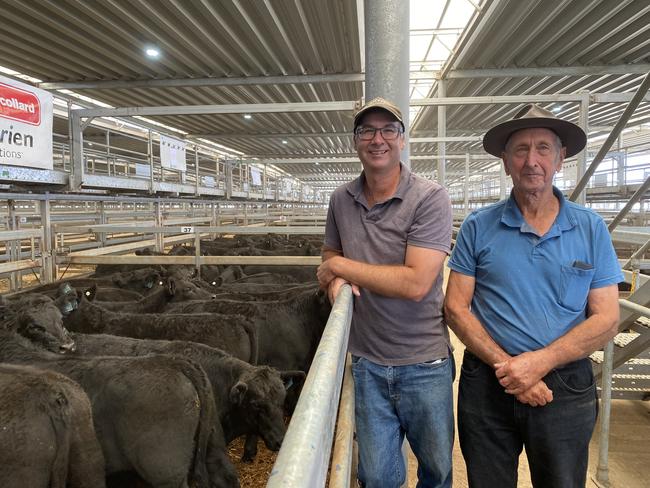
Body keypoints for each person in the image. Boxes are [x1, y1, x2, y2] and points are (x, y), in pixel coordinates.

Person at [444, 104, 623, 488]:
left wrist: (539, 363)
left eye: (543, 148)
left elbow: (607, 317)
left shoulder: (589, 228)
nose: (532, 160)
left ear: (560, 159)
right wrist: (510, 369)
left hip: (565, 385)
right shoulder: (479, 226)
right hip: (489, 383)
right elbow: (456, 308)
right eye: (520, 150)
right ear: (506, 163)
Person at [317, 97, 454, 488]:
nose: (378, 139)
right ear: (356, 141)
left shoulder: (430, 197)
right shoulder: (340, 199)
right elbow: (330, 252)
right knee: (375, 476)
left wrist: (340, 268)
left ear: (403, 140)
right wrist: (336, 286)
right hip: (367, 363)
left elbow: (415, 284)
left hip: (423, 362)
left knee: (437, 469)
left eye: (388, 130)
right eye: (367, 131)